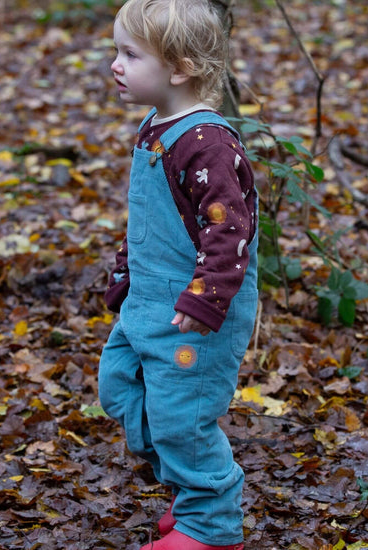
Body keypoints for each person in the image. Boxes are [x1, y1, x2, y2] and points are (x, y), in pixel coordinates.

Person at [98, 0, 258, 548]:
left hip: (196, 314)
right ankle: (190, 488)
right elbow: (150, 216)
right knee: (120, 386)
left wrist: (205, 300)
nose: (115, 64)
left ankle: (211, 526)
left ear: (180, 68)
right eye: (117, 51)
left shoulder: (207, 142)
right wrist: (126, 273)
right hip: (148, 302)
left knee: (182, 418)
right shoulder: (154, 128)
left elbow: (229, 230)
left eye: (130, 54)